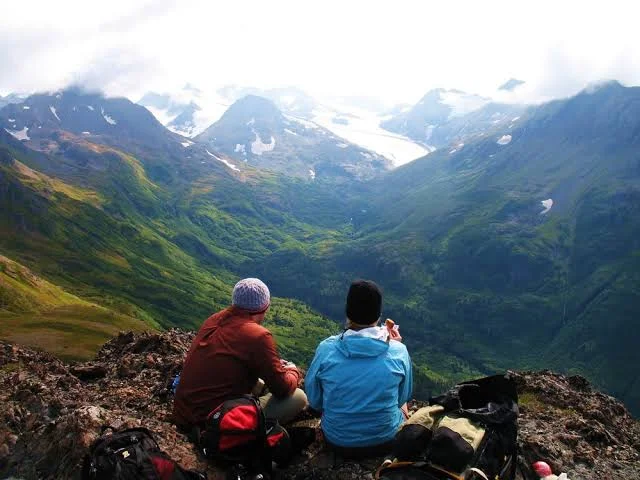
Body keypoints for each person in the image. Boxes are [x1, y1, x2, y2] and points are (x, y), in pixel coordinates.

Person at [173, 278, 307, 430]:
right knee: (298, 397)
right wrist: (293, 371)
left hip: (184, 413)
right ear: (265, 307)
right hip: (212, 423)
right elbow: (282, 390)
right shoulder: (259, 336)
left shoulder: (214, 318)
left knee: (261, 382)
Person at [305, 279, 413, 457]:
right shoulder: (398, 351)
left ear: (348, 312)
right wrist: (397, 348)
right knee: (403, 403)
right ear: (379, 315)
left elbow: (315, 401)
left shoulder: (326, 349)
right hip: (386, 439)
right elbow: (403, 398)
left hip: (337, 440)